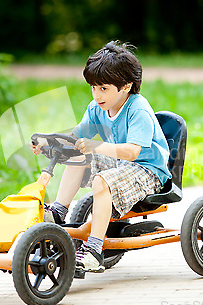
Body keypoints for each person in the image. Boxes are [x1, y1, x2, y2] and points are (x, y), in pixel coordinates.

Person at [30, 41, 171, 273]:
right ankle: (58, 212)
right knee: (77, 154)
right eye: (93, 88)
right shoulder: (97, 108)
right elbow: (76, 137)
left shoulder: (138, 109)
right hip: (122, 165)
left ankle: (94, 251)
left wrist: (96, 145)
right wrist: (48, 143)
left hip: (148, 172)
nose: (97, 95)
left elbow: (132, 152)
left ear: (126, 86)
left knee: (101, 180)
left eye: (103, 88)